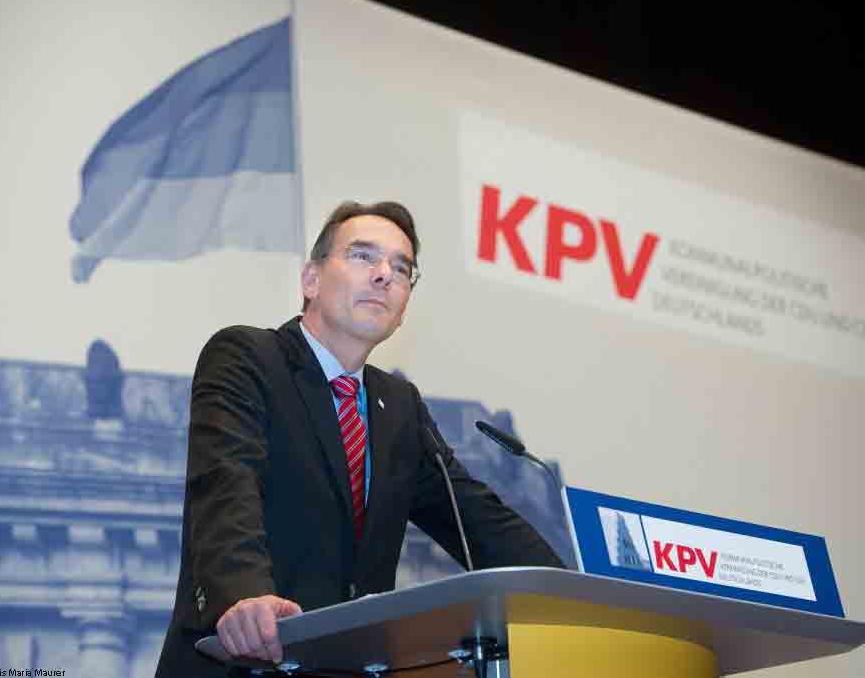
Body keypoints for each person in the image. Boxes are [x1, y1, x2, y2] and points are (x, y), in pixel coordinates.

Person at [155, 200, 564, 676]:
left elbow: (476, 517)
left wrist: (574, 594)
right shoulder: (248, 357)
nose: (385, 274)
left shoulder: (400, 406)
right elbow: (226, 484)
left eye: (402, 268)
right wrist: (245, 596)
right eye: (363, 256)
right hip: (243, 659)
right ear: (311, 280)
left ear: (404, 309)